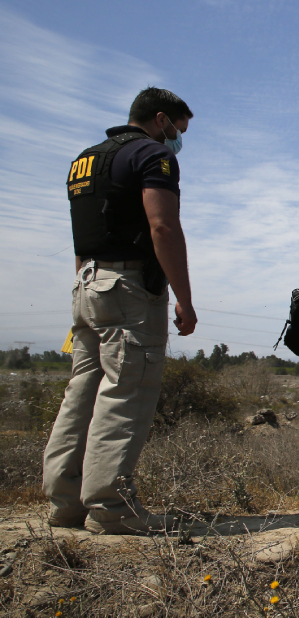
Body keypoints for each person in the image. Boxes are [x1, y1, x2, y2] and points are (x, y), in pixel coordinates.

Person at [43, 87, 197, 535]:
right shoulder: (153, 155)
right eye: (179, 129)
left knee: (82, 391)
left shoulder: (85, 159)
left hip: (86, 283)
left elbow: (84, 233)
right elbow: (162, 226)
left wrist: (86, 284)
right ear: (161, 119)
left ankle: (65, 502)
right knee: (127, 390)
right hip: (128, 287)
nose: (178, 139)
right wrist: (184, 298)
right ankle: (111, 508)